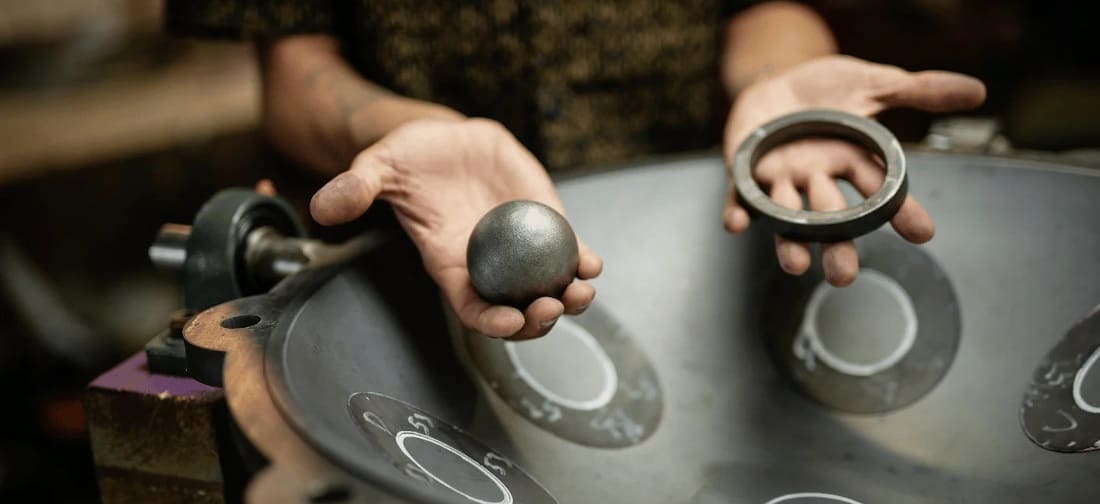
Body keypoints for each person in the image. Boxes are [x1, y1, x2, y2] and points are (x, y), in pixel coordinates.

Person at [166, 1, 986, 340]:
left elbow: (765, 8)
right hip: (412, 274)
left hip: (696, 262)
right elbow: (291, 73)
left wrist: (779, 83)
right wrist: (403, 130)